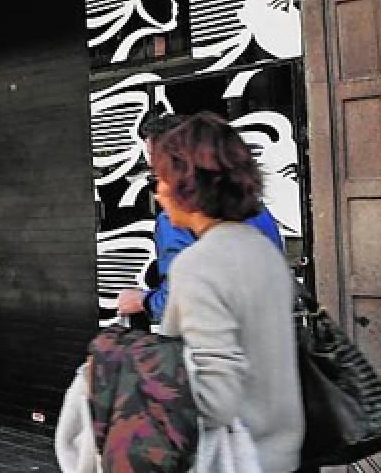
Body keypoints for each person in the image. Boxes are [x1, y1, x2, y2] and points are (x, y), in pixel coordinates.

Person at [152, 112, 352, 473]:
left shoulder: (200, 265)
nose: (158, 190)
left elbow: (215, 397)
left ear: (187, 184)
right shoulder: (262, 249)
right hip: (285, 450)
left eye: (163, 177)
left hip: (235, 469)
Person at [117, 113, 285, 328]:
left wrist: (143, 302)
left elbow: (177, 304)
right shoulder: (257, 213)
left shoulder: (187, 246)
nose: (158, 193)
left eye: (158, 175)